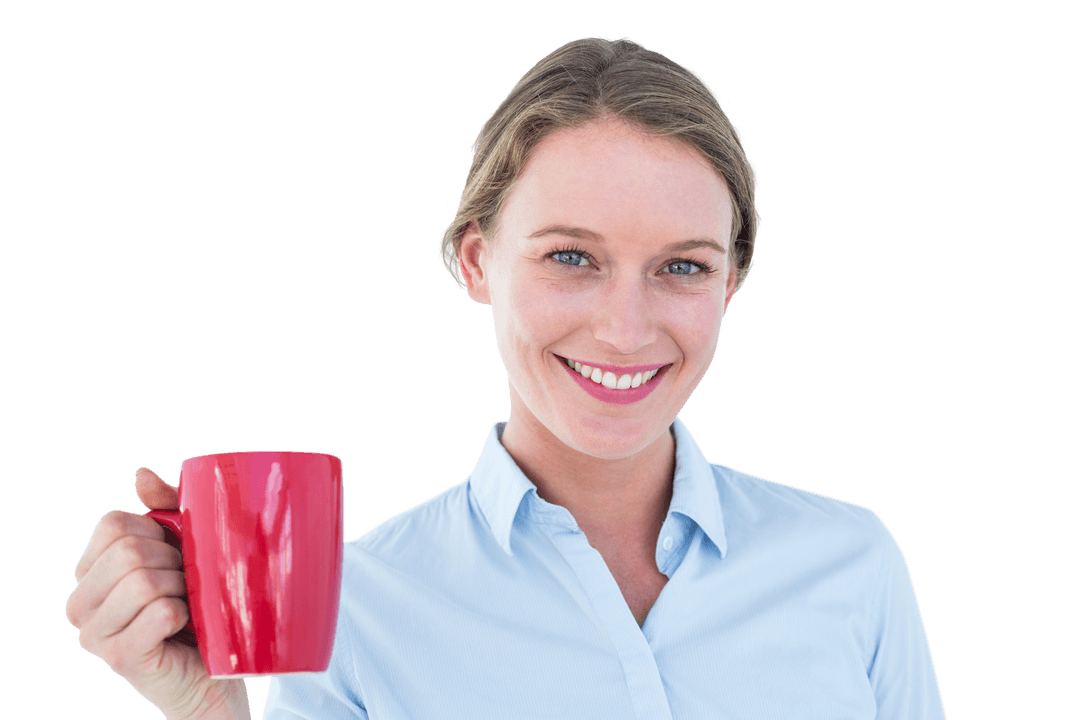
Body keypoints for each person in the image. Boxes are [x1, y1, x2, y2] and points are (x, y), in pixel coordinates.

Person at [66, 35, 947, 719]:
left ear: (731, 280)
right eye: (572, 256)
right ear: (479, 263)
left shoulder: (849, 562)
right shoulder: (357, 609)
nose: (626, 328)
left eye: (682, 267)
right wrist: (205, 712)